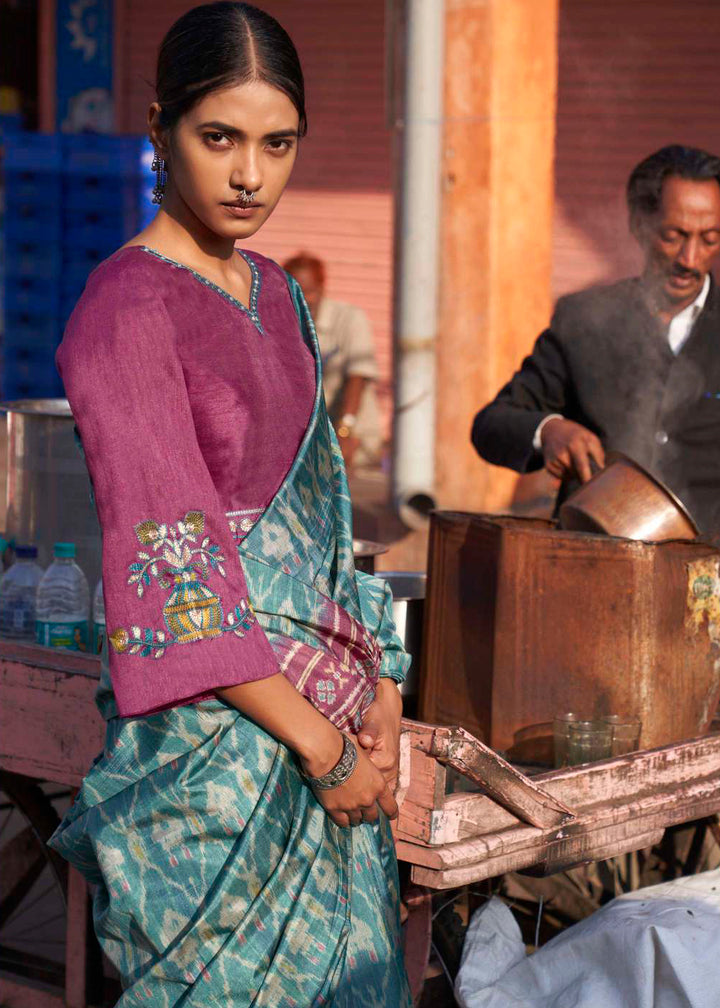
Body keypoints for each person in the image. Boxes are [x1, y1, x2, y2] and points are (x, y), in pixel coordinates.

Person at [48, 5, 412, 1005]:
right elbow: (175, 576)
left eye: (278, 142)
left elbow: (326, 517)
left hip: (326, 720)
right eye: (221, 138)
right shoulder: (127, 309)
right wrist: (322, 744)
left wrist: (372, 686)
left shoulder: (278, 296)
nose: (251, 173)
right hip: (219, 754)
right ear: (162, 128)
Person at [472, 145, 720, 537]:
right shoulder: (584, 319)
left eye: (709, 239)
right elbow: (490, 426)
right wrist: (549, 429)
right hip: (592, 559)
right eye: (674, 236)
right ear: (639, 224)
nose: (690, 259)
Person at [284, 252, 383, 470]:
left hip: (351, 434)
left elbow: (358, 375)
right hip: (303, 442)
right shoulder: (280, 323)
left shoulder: (349, 318)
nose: (302, 298)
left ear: (321, 288)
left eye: (308, 291)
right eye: (294, 291)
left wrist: (345, 429)